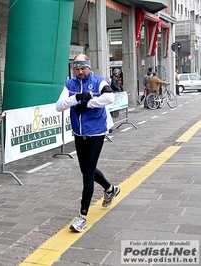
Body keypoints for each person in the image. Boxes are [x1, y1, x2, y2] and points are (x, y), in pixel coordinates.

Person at [55, 54, 120, 233]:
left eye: (83, 68)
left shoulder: (98, 82)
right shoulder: (70, 85)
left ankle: (82, 217)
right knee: (86, 170)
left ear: (89, 67)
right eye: (77, 68)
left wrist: (89, 103)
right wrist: (76, 98)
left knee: (88, 173)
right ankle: (110, 188)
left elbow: (109, 98)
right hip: (79, 133)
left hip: (96, 132)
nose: (80, 72)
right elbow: (59, 105)